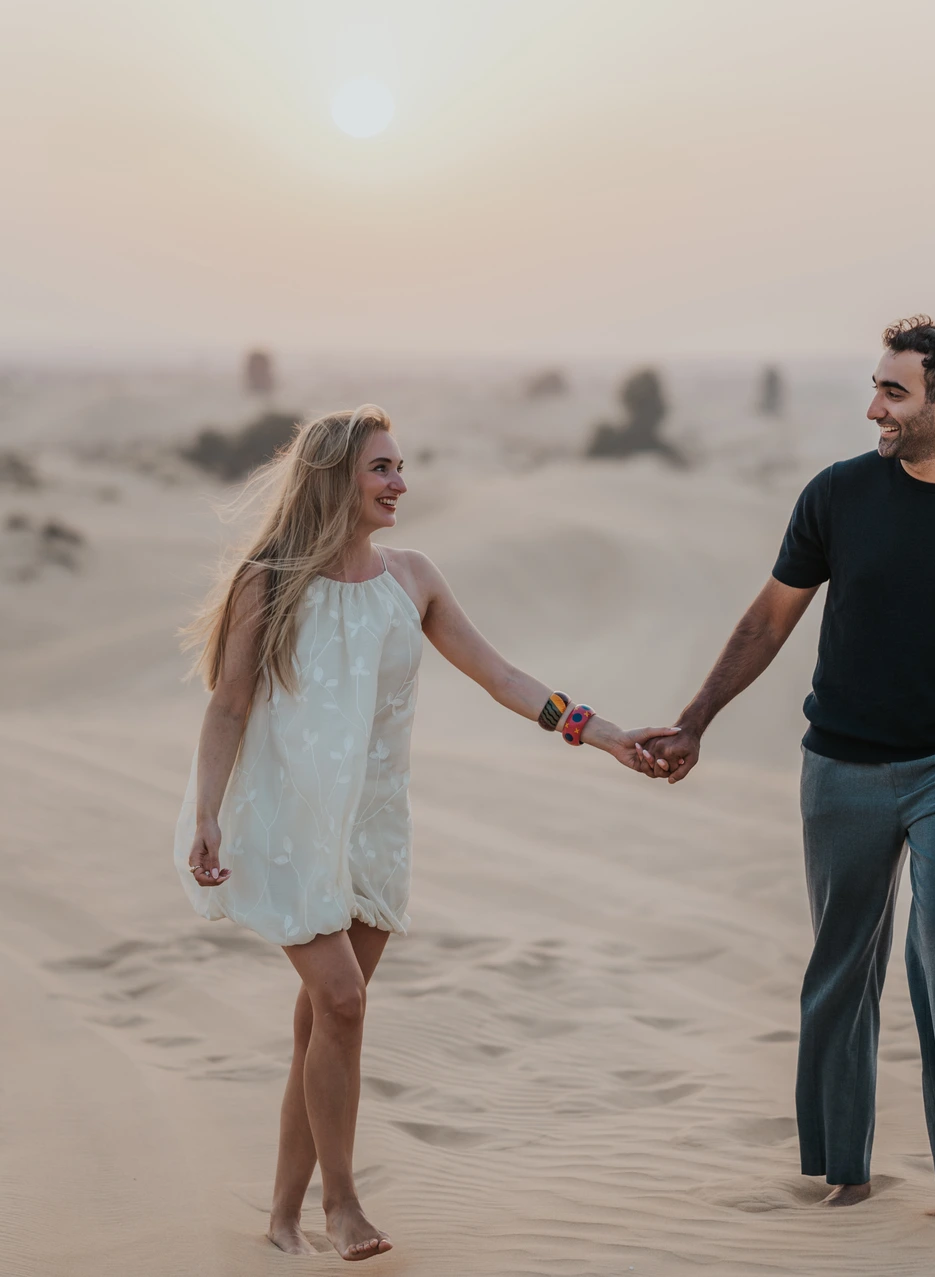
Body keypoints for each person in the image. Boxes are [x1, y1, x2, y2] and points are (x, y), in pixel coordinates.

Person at [174, 405, 674, 1261]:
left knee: (319, 1024)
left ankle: (281, 1220)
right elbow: (228, 704)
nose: (400, 483)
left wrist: (603, 732)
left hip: (373, 825)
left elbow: (503, 675)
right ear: (335, 477)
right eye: (382, 468)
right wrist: (209, 811)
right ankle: (343, 1205)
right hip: (288, 819)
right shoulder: (271, 577)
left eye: (401, 467)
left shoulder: (413, 578)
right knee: (341, 1001)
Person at [646, 317, 935, 1240]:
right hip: (842, 763)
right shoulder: (839, 495)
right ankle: (843, 1175)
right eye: (875, 387)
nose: (874, 408)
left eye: (893, 392)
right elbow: (770, 619)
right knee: (840, 961)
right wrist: (696, 718)